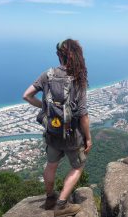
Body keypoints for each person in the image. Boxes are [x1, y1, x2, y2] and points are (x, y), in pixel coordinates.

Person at [22, 39, 92, 217]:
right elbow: (83, 114)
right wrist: (88, 138)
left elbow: (27, 95)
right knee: (78, 166)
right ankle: (61, 205)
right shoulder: (78, 79)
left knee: (51, 165)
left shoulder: (48, 74)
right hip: (72, 136)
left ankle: (50, 198)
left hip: (52, 133)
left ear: (59, 56)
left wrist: (44, 107)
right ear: (78, 57)